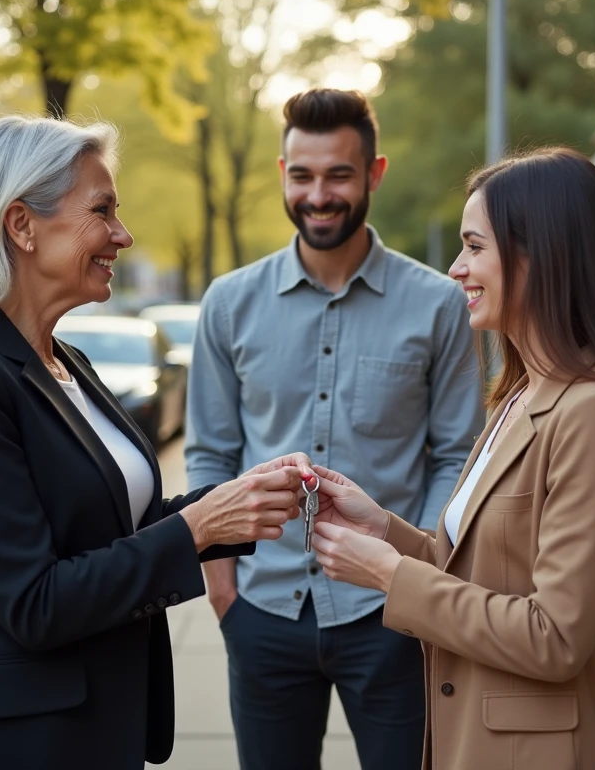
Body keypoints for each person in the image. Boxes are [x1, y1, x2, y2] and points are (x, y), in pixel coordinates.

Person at [0, 114, 311, 770]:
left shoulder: (64, 362)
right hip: (12, 746)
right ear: (21, 224)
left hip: (86, 728)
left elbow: (117, 531)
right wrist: (197, 530)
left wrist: (243, 503)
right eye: (103, 210)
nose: (124, 234)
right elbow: (33, 602)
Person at [308, 148, 595, 770]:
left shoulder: (594, 414)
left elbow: (555, 637)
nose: (456, 268)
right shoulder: (518, 396)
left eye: (474, 247)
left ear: (543, 257)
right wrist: (384, 531)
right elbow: (478, 575)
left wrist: (387, 576)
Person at [185, 88, 484, 770]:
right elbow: (210, 451)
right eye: (302, 175)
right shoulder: (229, 304)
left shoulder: (438, 304)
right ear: (283, 173)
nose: (319, 195)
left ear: (373, 173)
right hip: (261, 610)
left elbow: (457, 453)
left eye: (339, 175)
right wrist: (223, 587)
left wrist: (419, 573)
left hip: (391, 614)